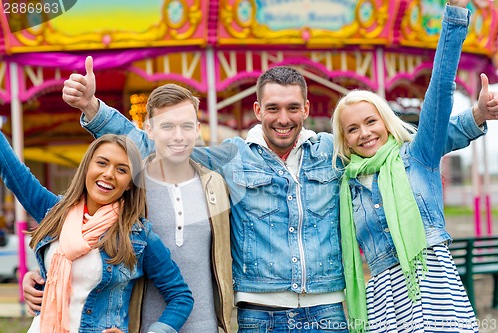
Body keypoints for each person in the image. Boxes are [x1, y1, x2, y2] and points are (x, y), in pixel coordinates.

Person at [55, 3, 492, 330]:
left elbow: (412, 147)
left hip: (329, 311)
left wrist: (472, 120)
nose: (283, 118)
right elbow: (158, 147)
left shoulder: (333, 152)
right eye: (273, 108)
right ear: (257, 109)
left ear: (305, 108)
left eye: (292, 108)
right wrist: (96, 109)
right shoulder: (232, 157)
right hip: (258, 314)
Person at [25, 80, 233, 332]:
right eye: (167, 126)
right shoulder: (132, 185)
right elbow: (85, 234)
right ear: (149, 130)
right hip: (137, 324)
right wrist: (44, 274)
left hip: (206, 326)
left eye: (186, 126)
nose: (178, 135)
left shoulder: (218, 184)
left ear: (198, 129)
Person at [331, 1, 483, 331]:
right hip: (384, 299)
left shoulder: (416, 157)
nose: (364, 133)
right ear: (343, 138)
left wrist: (455, 15)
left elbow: (440, 91)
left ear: (385, 121)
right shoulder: (346, 182)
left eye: (370, 121)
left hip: (432, 286)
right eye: (352, 129)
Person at [0, 131, 194, 333]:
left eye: (121, 169)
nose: (109, 173)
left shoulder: (138, 237)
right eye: (102, 163)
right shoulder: (53, 212)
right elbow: (12, 170)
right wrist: (37, 279)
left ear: (129, 184)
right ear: (87, 168)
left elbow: (181, 297)